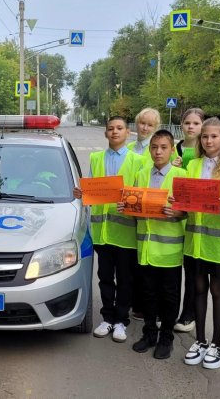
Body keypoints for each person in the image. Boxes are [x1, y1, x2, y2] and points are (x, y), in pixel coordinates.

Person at [72, 116, 144, 343]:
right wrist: (83, 194)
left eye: (119, 128)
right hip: (101, 231)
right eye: (111, 129)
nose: (115, 132)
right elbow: (93, 189)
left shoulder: (138, 160)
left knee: (125, 279)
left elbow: (142, 194)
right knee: (104, 277)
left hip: (125, 232)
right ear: (106, 133)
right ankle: (107, 318)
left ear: (127, 132)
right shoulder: (96, 157)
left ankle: (122, 320)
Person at [182, 118, 220, 370]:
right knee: (197, 289)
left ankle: (216, 344)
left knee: (217, 291)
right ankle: (201, 340)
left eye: (214, 137)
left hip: (219, 243)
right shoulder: (192, 165)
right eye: (205, 137)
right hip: (195, 240)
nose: (208, 141)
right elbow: (184, 202)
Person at [124, 130, 186, 359]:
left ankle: (166, 337)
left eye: (163, 147)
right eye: (154, 147)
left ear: (171, 150)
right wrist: (127, 208)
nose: (158, 152)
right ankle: (149, 333)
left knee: (168, 296)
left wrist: (179, 213)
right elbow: (136, 207)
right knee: (147, 293)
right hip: (146, 248)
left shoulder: (181, 175)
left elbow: (188, 212)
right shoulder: (141, 175)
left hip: (169, 250)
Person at [172, 107, 205, 334]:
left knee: (194, 271)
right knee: (175, 269)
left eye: (196, 123)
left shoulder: (207, 151)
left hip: (196, 218)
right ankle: (169, 310)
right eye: (187, 123)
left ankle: (189, 313)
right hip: (173, 216)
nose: (191, 127)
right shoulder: (174, 149)